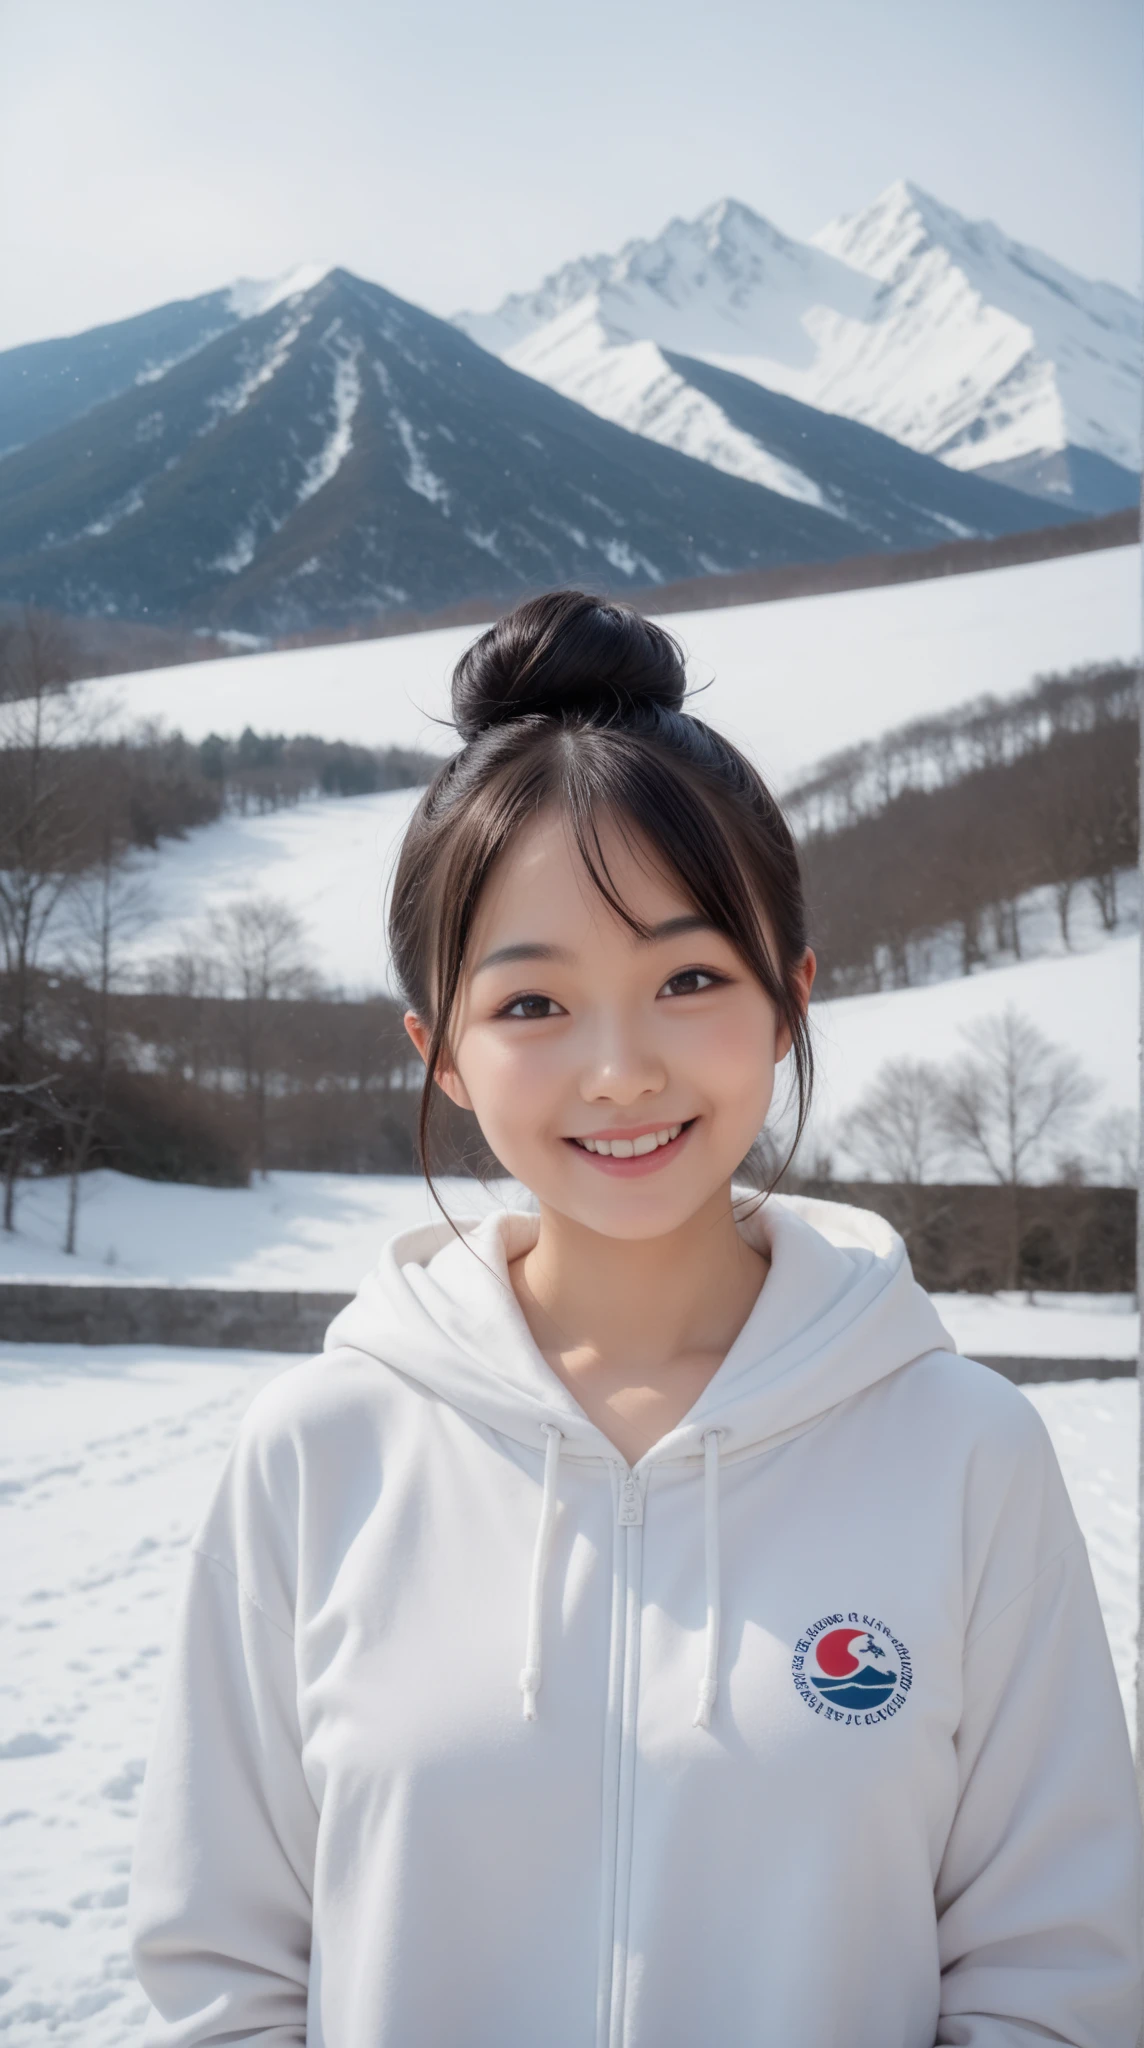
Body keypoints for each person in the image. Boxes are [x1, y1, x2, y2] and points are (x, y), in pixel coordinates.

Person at [129, 591, 1143, 2047]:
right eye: (534, 1005)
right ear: (443, 1050)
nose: (620, 1071)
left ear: (789, 1000)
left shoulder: (966, 1453)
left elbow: (1058, 1980)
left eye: (687, 979)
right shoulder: (319, 1453)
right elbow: (221, 1979)